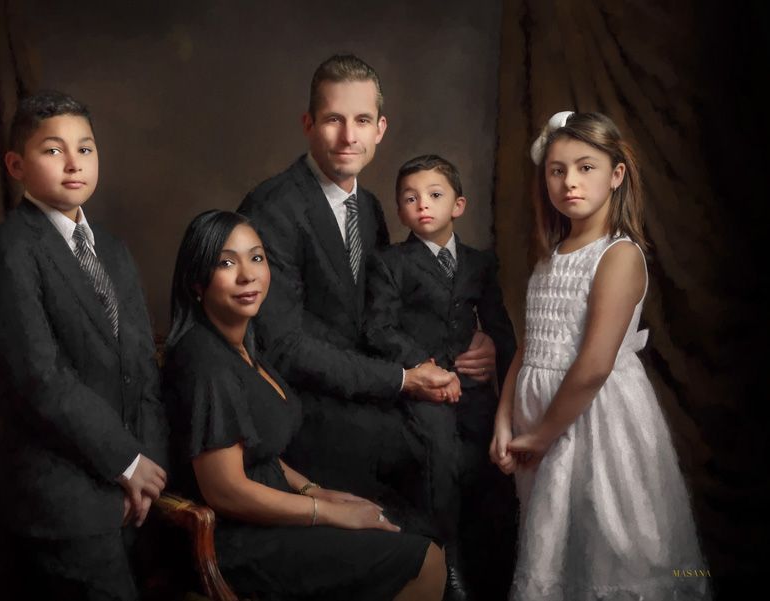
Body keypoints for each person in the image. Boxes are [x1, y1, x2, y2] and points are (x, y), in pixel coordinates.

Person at [237, 55, 497, 596]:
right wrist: (402, 380)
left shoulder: (372, 208)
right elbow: (283, 346)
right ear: (309, 124)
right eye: (333, 119)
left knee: (478, 437)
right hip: (302, 405)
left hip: (364, 388)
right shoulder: (274, 208)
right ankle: (437, 569)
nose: (347, 136)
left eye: (361, 121)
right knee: (426, 444)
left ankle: (454, 567)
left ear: (380, 129)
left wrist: (470, 345)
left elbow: (388, 315)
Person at [162, 210, 446, 601]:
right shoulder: (203, 359)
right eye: (226, 263)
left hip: (276, 514)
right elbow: (226, 490)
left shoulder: (244, 349)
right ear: (197, 282)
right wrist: (325, 511)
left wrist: (316, 491)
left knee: (409, 529)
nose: (248, 275)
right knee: (425, 561)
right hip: (240, 540)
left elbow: (257, 449)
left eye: (256, 258)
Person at [490, 111, 711, 600]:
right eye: (557, 170)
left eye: (585, 167)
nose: (569, 181)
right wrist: (505, 419)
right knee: (556, 543)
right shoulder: (551, 256)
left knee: (609, 544)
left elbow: (592, 367)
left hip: (594, 423)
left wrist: (542, 436)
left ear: (616, 175)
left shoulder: (618, 255)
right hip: (539, 424)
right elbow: (529, 345)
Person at [0, 91, 169, 600]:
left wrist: (145, 469)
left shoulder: (114, 251)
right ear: (16, 165)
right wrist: (124, 462)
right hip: (61, 498)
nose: (73, 163)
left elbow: (143, 371)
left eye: (85, 148)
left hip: (133, 490)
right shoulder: (8, 251)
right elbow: (40, 379)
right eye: (52, 150)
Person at [364, 154, 518, 598]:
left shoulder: (479, 263)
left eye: (434, 195)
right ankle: (447, 562)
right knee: (442, 461)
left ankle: (498, 565)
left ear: (458, 205)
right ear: (399, 210)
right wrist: (425, 364)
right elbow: (379, 328)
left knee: (496, 460)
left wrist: (508, 387)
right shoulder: (391, 262)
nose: (423, 205)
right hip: (425, 390)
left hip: (474, 388)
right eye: (410, 198)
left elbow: (500, 329)